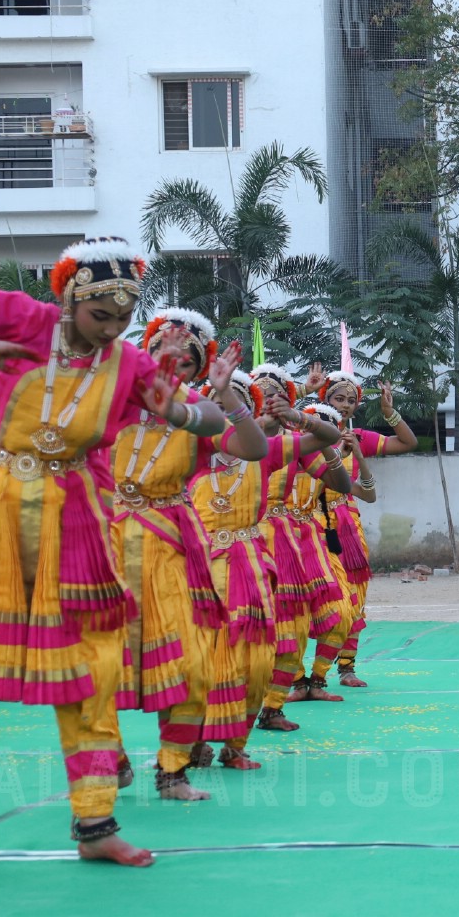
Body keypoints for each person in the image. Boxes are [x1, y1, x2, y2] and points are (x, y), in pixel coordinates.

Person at [0, 237, 231, 869]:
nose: (111, 329)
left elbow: (213, 424)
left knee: (90, 669)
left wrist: (184, 410)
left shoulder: (129, 365)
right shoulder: (28, 317)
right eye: (100, 315)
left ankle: (97, 825)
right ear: (70, 298)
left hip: (75, 512)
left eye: (123, 318)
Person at [113, 310, 268, 800]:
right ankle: (108, 756)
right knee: (94, 662)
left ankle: (172, 769)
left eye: (189, 359)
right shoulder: (111, 398)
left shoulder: (199, 411)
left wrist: (224, 393)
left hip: (170, 546)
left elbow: (253, 448)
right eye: (167, 348)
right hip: (106, 541)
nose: (175, 361)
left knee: (192, 664)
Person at [187, 370, 296, 770]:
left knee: (256, 663)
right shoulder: (186, 458)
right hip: (198, 572)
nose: (220, 407)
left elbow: (326, 440)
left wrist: (298, 417)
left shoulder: (261, 455)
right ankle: (194, 740)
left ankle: (236, 745)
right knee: (202, 661)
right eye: (212, 401)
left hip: (249, 570)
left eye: (230, 401)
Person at [297, 368, 417, 691]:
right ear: (325, 398)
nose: (346, 405)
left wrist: (390, 414)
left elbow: (408, 442)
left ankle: (346, 667)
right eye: (339, 398)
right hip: (312, 525)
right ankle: (295, 673)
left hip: (348, 526)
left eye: (351, 400)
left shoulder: (357, 437)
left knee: (355, 597)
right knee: (309, 599)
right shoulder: (304, 437)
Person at [248, 365, 347, 731]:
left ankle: (273, 706)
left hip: (286, 543)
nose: (268, 399)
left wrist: (328, 451)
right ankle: (219, 722)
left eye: (276, 394)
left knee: (293, 631)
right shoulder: (229, 440)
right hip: (238, 539)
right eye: (260, 393)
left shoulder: (291, 444)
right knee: (244, 633)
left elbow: (343, 483)